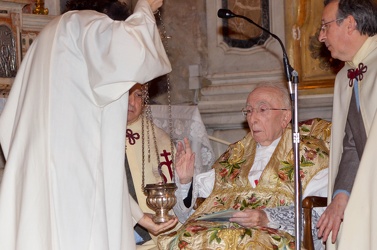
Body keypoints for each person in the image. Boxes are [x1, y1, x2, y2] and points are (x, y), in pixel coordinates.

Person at [0, 0, 173, 249]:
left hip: (35, 179)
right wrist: (145, 7)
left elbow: (10, 124)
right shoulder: (86, 25)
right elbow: (136, 50)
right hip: (74, 186)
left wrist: (139, 217)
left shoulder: (47, 34)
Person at [159, 83, 331, 249]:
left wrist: (268, 217)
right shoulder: (235, 154)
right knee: (187, 238)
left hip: (276, 233)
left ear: (286, 116)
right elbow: (187, 214)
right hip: (223, 232)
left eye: (262, 110)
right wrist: (185, 180)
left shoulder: (309, 154)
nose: (252, 118)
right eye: (248, 111)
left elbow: (319, 213)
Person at [316, 0, 377, 249]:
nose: (321, 36)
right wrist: (340, 198)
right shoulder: (345, 77)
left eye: (325, 26)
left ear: (349, 24)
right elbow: (350, 146)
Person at [125, 83, 179, 248]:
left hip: (157, 236)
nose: (132, 102)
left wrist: (185, 180)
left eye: (138, 95)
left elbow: (178, 196)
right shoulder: (100, 136)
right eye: (127, 94)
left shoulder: (159, 137)